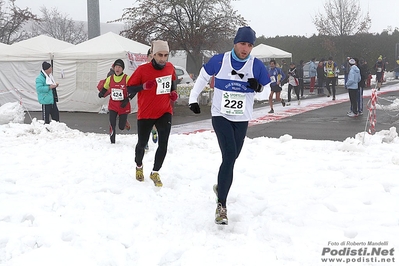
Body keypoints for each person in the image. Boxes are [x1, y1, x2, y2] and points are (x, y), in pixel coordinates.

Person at [188, 26, 271, 225]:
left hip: (241, 119)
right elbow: (202, 78)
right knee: (228, 156)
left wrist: (258, 87)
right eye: (243, 43)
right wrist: (193, 98)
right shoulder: (219, 60)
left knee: (232, 158)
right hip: (221, 116)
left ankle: (221, 186)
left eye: (250, 45)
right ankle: (221, 206)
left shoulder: (256, 65)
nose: (245, 48)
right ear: (235, 42)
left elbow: (266, 93)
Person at [127, 40, 178, 187]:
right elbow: (129, 88)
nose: (163, 59)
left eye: (166, 55)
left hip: (164, 111)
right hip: (146, 113)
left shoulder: (170, 67)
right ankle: (138, 166)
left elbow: (172, 80)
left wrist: (173, 92)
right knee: (142, 144)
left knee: (163, 145)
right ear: (153, 55)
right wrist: (143, 86)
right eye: (160, 55)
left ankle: (155, 172)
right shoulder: (143, 70)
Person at [98, 59, 132, 144]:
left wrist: (127, 99)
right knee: (112, 124)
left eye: (119, 67)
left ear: (122, 69)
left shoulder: (127, 78)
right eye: (116, 67)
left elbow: (133, 90)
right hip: (113, 105)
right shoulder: (110, 78)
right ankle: (112, 142)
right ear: (114, 68)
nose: (117, 68)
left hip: (123, 105)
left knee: (121, 127)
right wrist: (101, 93)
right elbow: (105, 88)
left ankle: (124, 122)